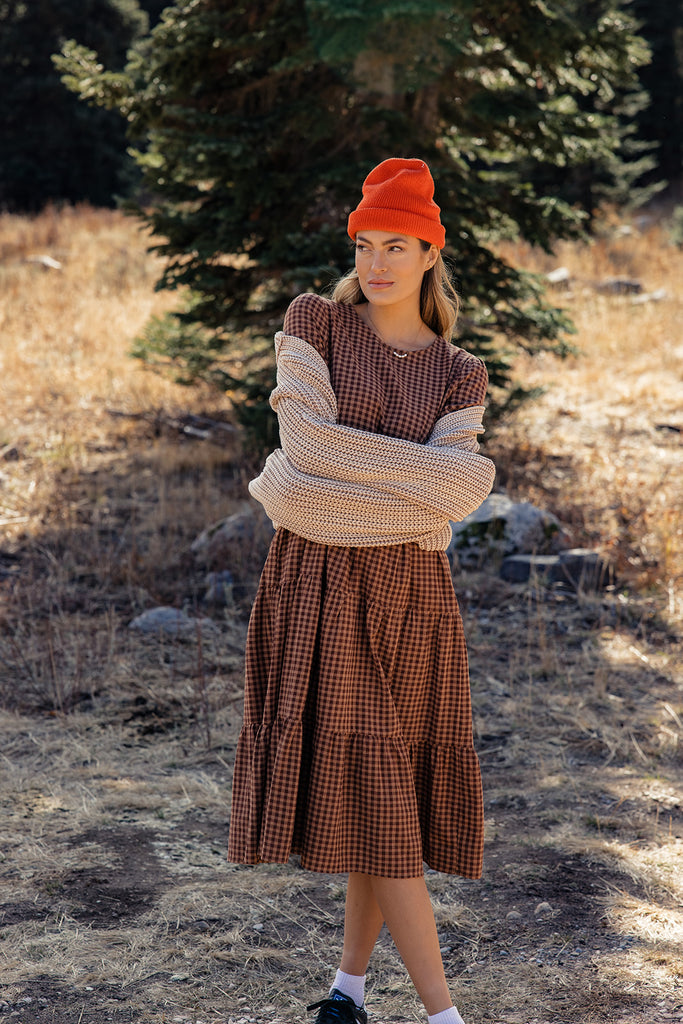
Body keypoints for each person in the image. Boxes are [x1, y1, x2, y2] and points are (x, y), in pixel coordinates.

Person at [228, 157, 496, 1024]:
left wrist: (337, 490)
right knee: (379, 792)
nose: (376, 262)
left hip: (414, 598)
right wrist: (412, 492)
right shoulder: (316, 324)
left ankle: (347, 992)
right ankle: (442, 1016)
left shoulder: (460, 373)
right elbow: (299, 457)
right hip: (319, 587)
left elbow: (460, 495)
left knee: (389, 796)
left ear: (429, 254)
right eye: (365, 243)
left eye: (398, 245)